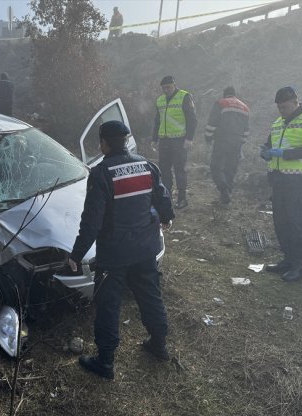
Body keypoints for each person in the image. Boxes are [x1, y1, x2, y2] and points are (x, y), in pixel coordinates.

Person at [67, 120, 175, 380]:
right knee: (150, 295)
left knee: (108, 305)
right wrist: (167, 216)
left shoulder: (102, 173)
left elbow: (91, 220)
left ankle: (105, 362)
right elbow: (162, 196)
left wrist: (76, 255)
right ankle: (158, 345)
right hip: (145, 248)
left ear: (104, 143)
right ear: (125, 141)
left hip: (114, 255)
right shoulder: (146, 165)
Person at [260, 86, 302, 282]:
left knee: (297, 224)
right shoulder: (278, 123)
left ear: (296, 102)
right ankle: (287, 260)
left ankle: (299, 266)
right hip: (280, 181)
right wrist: (265, 152)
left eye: (285, 107)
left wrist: (284, 154)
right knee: (281, 224)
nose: (282, 111)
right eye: (279, 108)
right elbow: (270, 145)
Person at [152, 75, 197, 209]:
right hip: (164, 141)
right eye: (164, 88)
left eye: (168, 87)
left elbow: (192, 119)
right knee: (164, 171)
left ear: (174, 85)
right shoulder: (160, 100)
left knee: (179, 170)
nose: (166, 90)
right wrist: (154, 139)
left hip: (179, 140)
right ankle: (167, 198)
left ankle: (182, 199)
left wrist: (189, 138)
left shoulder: (184, 96)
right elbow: (157, 121)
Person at [204, 86, 250, 205]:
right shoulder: (245, 107)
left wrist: (208, 138)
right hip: (237, 142)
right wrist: (241, 142)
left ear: (225, 95)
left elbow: (212, 123)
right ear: (235, 95)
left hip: (222, 140)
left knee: (216, 167)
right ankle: (227, 195)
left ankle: (224, 190)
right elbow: (246, 130)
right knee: (231, 168)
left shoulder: (221, 103)